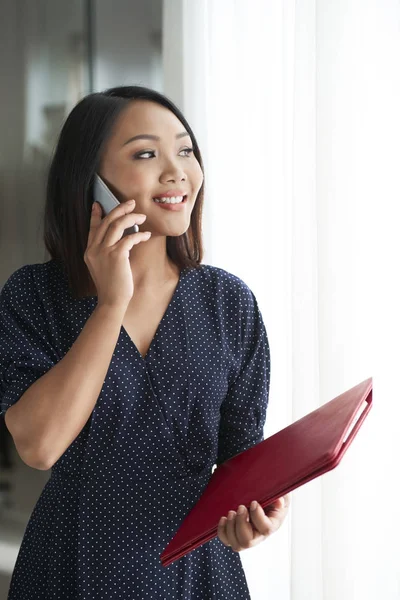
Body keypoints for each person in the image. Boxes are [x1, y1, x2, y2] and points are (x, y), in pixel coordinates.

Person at [0, 85, 289, 599]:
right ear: (91, 181)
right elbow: (39, 446)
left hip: (197, 575)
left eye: (184, 150)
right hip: (73, 569)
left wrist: (256, 516)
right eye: (146, 154)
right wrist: (111, 304)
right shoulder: (33, 295)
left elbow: (244, 466)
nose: (178, 170)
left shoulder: (228, 302)